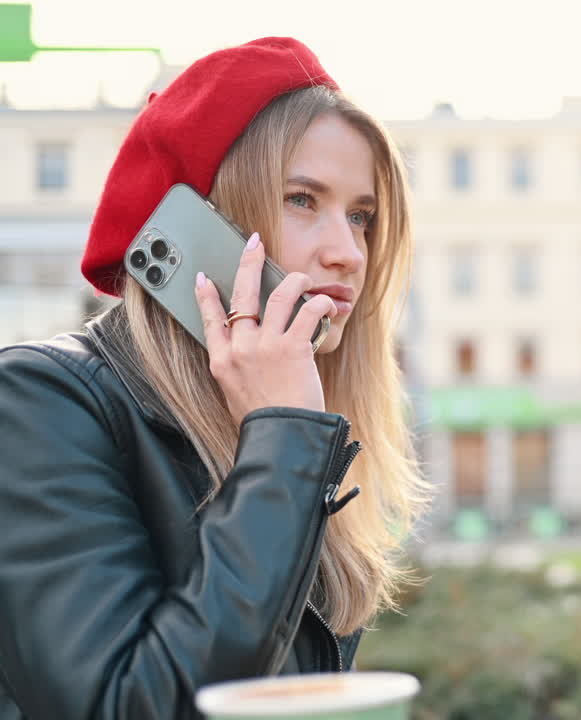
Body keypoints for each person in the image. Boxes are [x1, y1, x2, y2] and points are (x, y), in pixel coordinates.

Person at [0, 38, 427, 719]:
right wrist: (283, 441)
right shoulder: (41, 404)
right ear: (197, 226)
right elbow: (124, 704)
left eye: (361, 216)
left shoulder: (280, 421)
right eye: (300, 199)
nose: (347, 252)